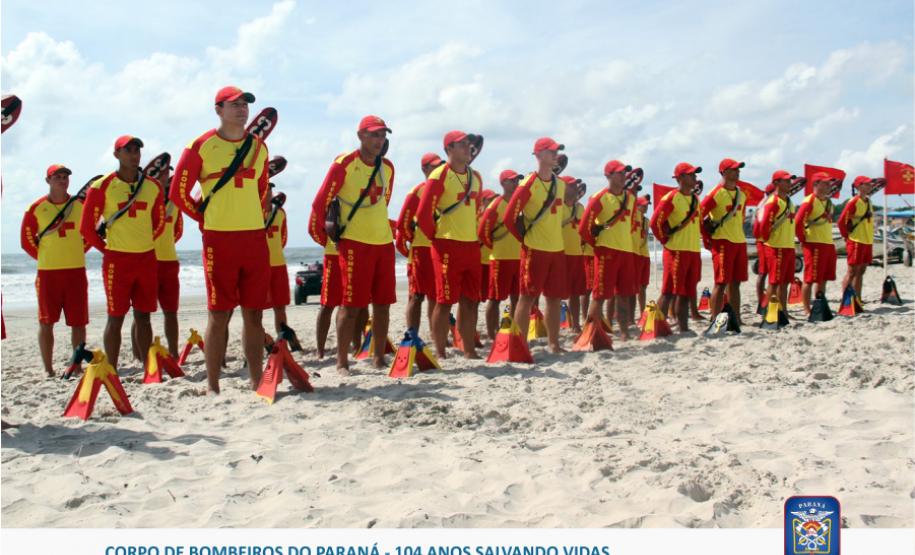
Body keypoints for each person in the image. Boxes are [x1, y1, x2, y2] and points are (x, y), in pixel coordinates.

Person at [170, 86, 271, 393]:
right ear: (219, 110)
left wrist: (253, 218)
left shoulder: (259, 148)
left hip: (254, 239)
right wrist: (204, 219)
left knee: (254, 313)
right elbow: (178, 193)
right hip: (219, 239)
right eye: (234, 104)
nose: (242, 109)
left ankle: (256, 380)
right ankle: (212, 385)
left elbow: (262, 191)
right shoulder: (200, 146)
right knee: (219, 314)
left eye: (245, 104)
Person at [309, 115, 396, 374]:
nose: (379, 140)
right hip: (354, 244)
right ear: (361, 136)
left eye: (382, 135)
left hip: (383, 242)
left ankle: (378, 358)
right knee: (350, 304)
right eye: (374, 135)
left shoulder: (388, 167)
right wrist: (327, 238)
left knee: (382, 304)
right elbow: (319, 203)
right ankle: (341, 361)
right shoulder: (344, 164)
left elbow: (383, 201)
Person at [81, 135, 165, 370]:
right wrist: (106, 249)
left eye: (137, 150)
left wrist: (146, 241)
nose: (133, 154)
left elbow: (158, 221)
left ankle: (149, 367)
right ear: (116, 154)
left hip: (146, 258)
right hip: (117, 260)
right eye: (127, 150)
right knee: (115, 317)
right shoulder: (102, 186)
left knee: (144, 316)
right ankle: (112, 368)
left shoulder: (153, 186)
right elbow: (86, 228)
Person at [416, 131, 483, 359]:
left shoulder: (476, 177)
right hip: (446, 245)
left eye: (468, 144)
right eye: (461, 144)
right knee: (444, 301)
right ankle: (441, 351)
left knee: (471, 301)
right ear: (449, 150)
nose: (467, 147)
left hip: (471, 245)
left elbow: (475, 213)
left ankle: (469, 349)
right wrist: (436, 238)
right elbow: (423, 214)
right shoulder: (439, 175)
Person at [21, 164, 90, 377]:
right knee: (46, 322)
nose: (62, 180)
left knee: (78, 322)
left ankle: (77, 365)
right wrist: (46, 258)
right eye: (57, 177)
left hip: (76, 272)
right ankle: (49, 369)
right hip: (48, 274)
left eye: (65, 177)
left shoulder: (79, 205)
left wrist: (77, 251)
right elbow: (27, 241)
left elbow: (88, 235)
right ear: (48, 181)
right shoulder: (35, 208)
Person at [503, 137, 567, 353]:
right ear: (539, 155)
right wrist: (524, 239)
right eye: (551, 151)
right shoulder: (529, 183)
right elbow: (509, 217)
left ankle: (554, 343)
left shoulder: (561, 184)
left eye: (556, 151)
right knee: (527, 297)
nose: (555, 154)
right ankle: (519, 345)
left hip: (557, 249)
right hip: (535, 249)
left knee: (554, 298)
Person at [579, 160, 636, 339]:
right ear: (609, 176)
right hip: (606, 251)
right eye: (619, 173)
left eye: (624, 172)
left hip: (626, 250)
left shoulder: (631, 198)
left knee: (624, 294)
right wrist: (596, 244)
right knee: (600, 294)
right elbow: (583, 228)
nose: (623, 176)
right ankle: (591, 332)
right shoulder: (600, 197)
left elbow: (631, 223)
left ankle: (624, 332)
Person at [132, 163, 182, 359]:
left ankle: (175, 353)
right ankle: (140, 356)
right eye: (160, 172)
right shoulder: (143, 197)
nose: (164, 176)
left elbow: (177, 231)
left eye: (166, 173)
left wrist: (165, 245)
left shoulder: (173, 202)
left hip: (169, 262)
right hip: (147, 261)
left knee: (171, 311)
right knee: (141, 313)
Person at [649, 162, 702, 332]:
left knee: (687, 291)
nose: (695, 177)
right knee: (669, 291)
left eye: (695, 174)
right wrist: (665, 240)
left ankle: (684, 327)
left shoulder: (695, 199)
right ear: (680, 178)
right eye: (691, 174)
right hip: (676, 251)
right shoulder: (671, 198)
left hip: (693, 250)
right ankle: (657, 326)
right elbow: (655, 223)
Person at [395, 152, 444, 335]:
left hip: (439, 249)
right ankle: (412, 335)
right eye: (434, 166)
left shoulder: (444, 189)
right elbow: (402, 223)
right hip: (421, 250)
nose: (438, 169)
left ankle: (436, 334)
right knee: (416, 296)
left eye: (440, 166)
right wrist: (414, 240)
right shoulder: (418, 190)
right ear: (424, 169)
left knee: (437, 296)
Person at [700, 158, 748, 323]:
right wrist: (707, 239)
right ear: (724, 172)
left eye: (738, 169)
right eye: (734, 169)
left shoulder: (741, 194)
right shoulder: (716, 193)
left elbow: (740, 217)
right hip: (722, 242)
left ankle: (736, 318)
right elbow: (698, 216)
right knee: (721, 283)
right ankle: (715, 318)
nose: (737, 172)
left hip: (739, 241)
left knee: (736, 283)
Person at [478, 170, 523, 340]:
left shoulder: (520, 204)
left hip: (518, 258)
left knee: (517, 298)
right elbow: (483, 232)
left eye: (517, 180)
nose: (516, 183)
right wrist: (494, 247)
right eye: (513, 181)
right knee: (495, 299)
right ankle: (492, 334)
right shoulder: (496, 204)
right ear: (504, 183)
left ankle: (512, 330)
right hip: (500, 258)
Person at [795, 172, 837, 314]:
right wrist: (803, 239)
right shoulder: (809, 201)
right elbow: (798, 222)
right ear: (815, 184)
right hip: (813, 243)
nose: (828, 186)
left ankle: (820, 305)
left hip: (827, 242)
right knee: (810, 278)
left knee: (823, 278)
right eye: (824, 183)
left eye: (828, 183)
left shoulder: (829, 202)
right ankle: (807, 308)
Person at [757, 170, 796, 309]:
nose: (789, 183)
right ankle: (769, 310)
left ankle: (782, 310)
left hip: (788, 246)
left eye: (789, 180)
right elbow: (763, 225)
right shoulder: (773, 202)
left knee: (785, 281)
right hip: (776, 246)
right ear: (776, 183)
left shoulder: (789, 201)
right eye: (786, 181)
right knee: (774, 282)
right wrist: (769, 240)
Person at [838, 176, 875, 300]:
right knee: (852, 271)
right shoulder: (854, 201)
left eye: (870, 184)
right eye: (867, 184)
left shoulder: (868, 201)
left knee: (861, 271)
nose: (870, 186)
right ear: (859, 186)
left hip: (867, 240)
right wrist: (846, 236)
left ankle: (857, 298)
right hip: (856, 240)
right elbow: (841, 221)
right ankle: (846, 300)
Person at [561, 176, 587, 334]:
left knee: (576, 293)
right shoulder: (556, 206)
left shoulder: (580, 208)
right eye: (571, 186)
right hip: (560, 254)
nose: (575, 188)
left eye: (575, 186)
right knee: (555, 294)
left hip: (577, 254)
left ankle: (575, 324)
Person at [264, 185, 290, 335]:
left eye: (269, 190)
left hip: (278, 264)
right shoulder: (253, 211)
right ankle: (261, 339)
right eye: (265, 189)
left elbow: (283, 239)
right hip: (260, 266)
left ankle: (283, 339)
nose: (267, 193)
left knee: (280, 306)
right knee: (255, 309)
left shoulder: (280, 213)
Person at [752, 183, 777, 308]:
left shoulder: (769, 203)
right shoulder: (763, 205)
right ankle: (761, 300)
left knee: (771, 272)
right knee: (763, 272)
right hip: (763, 241)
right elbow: (757, 229)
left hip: (770, 241)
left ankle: (767, 299)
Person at [635, 195, 651, 314]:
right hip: (636, 254)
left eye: (647, 206)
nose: (646, 207)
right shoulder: (634, 218)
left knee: (643, 285)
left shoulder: (646, 220)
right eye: (643, 205)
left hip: (645, 254)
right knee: (635, 285)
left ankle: (642, 311)